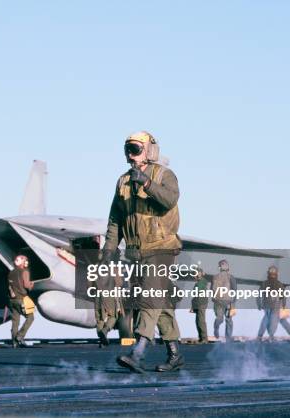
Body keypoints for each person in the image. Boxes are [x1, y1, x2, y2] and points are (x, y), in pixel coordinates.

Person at [104, 131, 184, 373]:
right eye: (128, 148)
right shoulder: (122, 182)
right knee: (160, 304)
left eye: (136, 148)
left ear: (149, 150)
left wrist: (147, 184)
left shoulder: (164, 175)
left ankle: (138, 352)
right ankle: (175, 354)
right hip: (136, 252)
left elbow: (170, 200)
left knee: (149, 297)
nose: (130, 153)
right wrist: (108, 250)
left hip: (161, 248)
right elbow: (115, 219)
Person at [257, 266, 290, 342]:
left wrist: (259, 304)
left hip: (271, 306)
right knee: (280, 321)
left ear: (268, 273)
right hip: (278, 306)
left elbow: (259, 295)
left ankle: (263, 337)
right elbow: (283, 297)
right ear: (277, 274)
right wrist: (284, 305)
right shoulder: (279, 284)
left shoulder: (265, 283)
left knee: (267, 320)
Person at [7, 255, 35, 348]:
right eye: (26, 261)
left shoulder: (10, 273)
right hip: (21, 299)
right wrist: (32, 285)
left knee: (15, 321)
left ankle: (14, 343)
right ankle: (20, 336)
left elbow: (9, 286)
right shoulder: (25, 271)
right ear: (23, 262)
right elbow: (26, 285)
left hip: (12, 300)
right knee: (30, 317)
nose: (27, 262)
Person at [212, 259, 237, 342]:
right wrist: (233, 304)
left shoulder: (214, 277)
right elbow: (235, 290)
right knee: (228, 320)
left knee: (220, 319)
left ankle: (217, 328)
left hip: (219, 302)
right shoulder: (231, 277)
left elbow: (212, 290)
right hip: (227, 302)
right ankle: (228, 338)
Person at [190, 268, 209, 344]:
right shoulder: (198, 282)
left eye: (196, 273)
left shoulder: (202, 281)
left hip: (201, 303)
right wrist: (193, 306)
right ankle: (201, 338)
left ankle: (204, 339)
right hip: (198, 303)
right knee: (198, 321)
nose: (195, 275)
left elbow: (198, 292)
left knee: (201, 321)